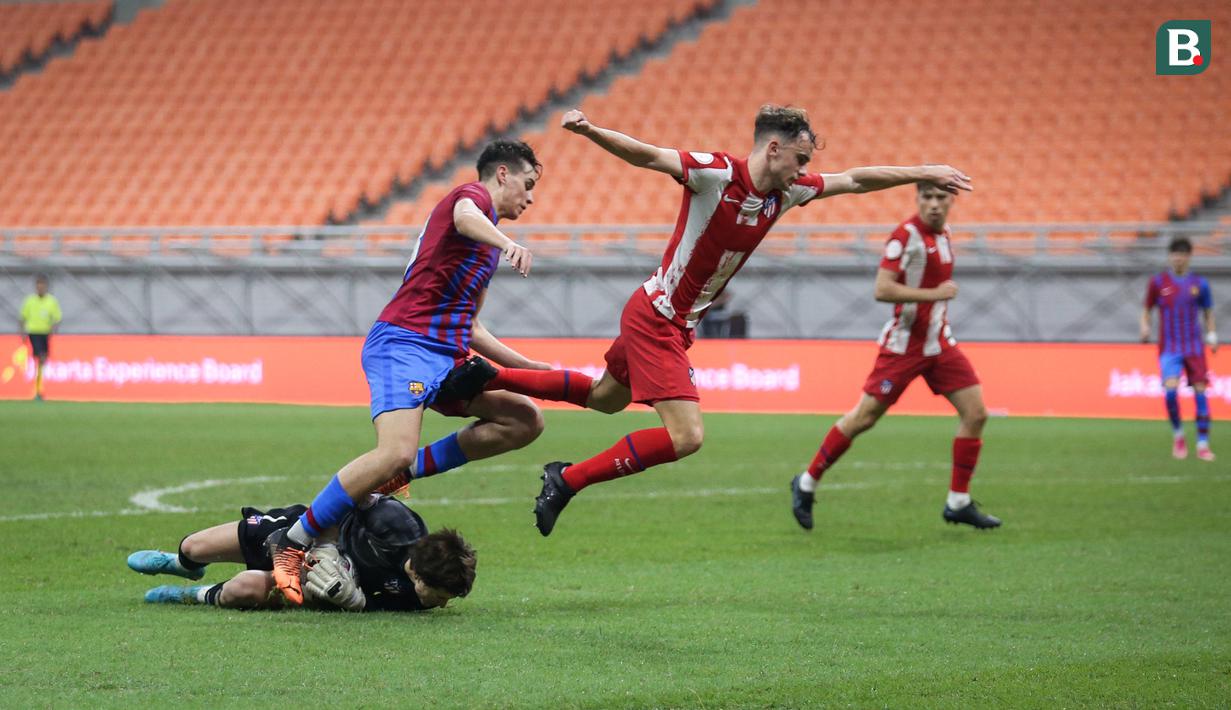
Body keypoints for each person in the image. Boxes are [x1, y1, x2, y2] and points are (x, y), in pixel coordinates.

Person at [525, 105, 973, 536]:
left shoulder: (786, 193)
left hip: (674, 324)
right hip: (657, 317)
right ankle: (568, 480)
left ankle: (493, 376)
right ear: (774, 149)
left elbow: (854, 179)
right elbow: (648, 155)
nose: (804, 170)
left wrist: (923, 171)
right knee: (686, 436)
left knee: (605, 398)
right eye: (801, 159)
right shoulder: (716, 173)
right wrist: (590, 130)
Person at [267, 139, 559, 605]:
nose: (531, 197)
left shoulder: (485, 248)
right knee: (395, 450)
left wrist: (527, 366)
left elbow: (471, 326)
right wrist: (507, 243)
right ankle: (292, 541)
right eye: (528, 184)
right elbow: (464, 215)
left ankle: (391, 478)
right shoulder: (472, 201)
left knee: (524, 420)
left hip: (446, 355)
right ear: (502, 174)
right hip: (405, 343)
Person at [789, 183, 1001, 532]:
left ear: (952, 200)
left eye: (940, 198)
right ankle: (807, 481)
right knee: (863, 418)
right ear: (917, 199)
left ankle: (958, 502)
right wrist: (934, 294)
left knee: (976, 413)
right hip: (903, 347)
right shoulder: (905, 236)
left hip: (939, 343)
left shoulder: (945, 233)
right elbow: (882, 289)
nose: (934, 204)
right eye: (927, 197)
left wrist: (936, 303)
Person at [127, 495, 475, 612]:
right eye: (441, 595)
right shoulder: (395, 523)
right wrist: (327, 548)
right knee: (193, 547)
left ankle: (191, 595)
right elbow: (342, 493)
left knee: (245, 588)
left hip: (317, 578)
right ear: (417, 573)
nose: (442, 604)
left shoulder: (420, 597)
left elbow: (370, 603)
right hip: (304, 531)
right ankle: (183, 565)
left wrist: (356, 602)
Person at [1140, 237, 1218, 461]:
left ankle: (1203, 444)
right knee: (1171, 392)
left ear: (1189, 257)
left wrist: (1212, 335)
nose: (1178, 258)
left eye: (1182, 254)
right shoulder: (1159, 283)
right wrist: (1145, 327)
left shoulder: (1199, 284)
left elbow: (1208, 312)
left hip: (1194, 347)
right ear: (1169, 256)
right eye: (1175, 254)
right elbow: (1146, 309)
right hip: (1170, 348)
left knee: (1201, 391)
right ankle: (1178, 435)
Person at [18, 274, 61, 401]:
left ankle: (39, 385)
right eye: (38, 285)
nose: (40, 287)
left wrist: (54, 329)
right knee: (40, 357)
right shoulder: (30, 300)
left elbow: (57, 317)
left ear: (46, 286)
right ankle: (37, 389)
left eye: (42, 285)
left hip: (45, 333)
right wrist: (22, 333)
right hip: (34, 332)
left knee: (43, 358)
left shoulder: (51, 301)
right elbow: (23, 317)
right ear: (36, 286)